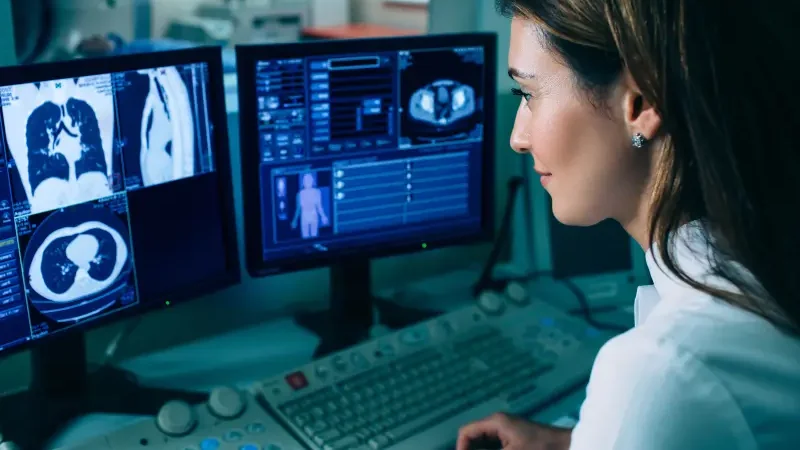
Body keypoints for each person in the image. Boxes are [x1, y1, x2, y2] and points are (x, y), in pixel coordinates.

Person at [457, 1, 800, 449]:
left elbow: (673, 388)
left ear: (640, 102)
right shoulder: (766, 267)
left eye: (529, 94)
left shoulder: (660, 370)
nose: (517, 139)